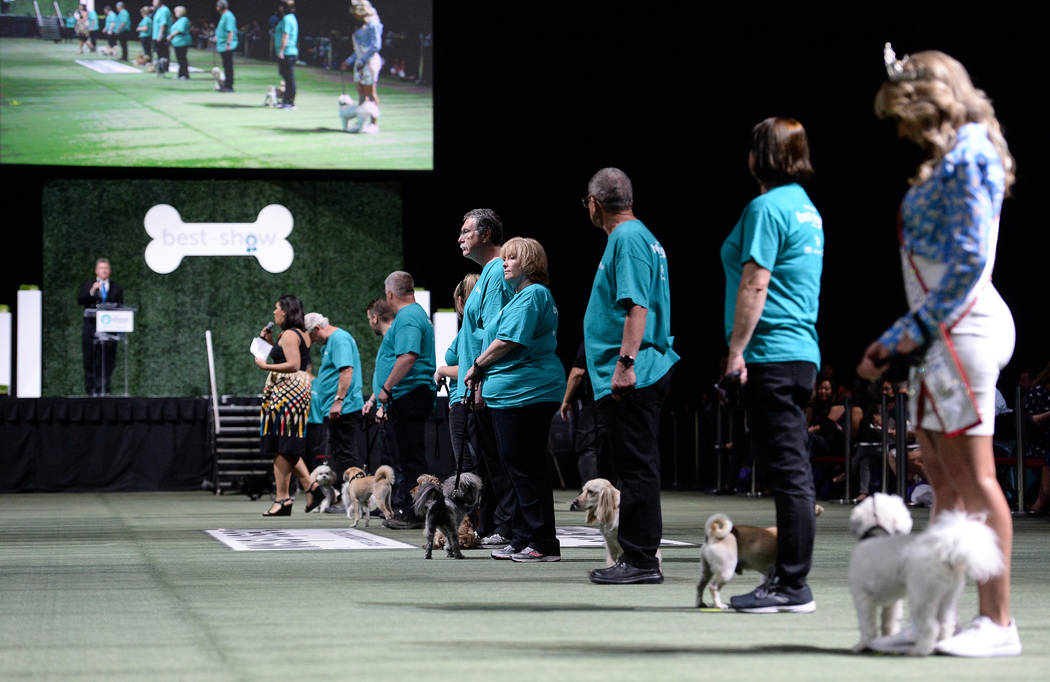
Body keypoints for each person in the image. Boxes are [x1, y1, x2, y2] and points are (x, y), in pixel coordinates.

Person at [857, 46, 1020, 656]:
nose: (899, 128)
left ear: (926, 102)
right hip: (940, 336)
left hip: (963, 330)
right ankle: (934, 624)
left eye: (901, 112)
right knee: (944, 486)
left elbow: (971, 263)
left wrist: (899, 336)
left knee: (975, 482)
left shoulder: (972, 151)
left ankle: (998, 623)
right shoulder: (955, 156)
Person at [719, 118, 823, 612]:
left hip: (772, 354)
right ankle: (789, 579)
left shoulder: (766, 207)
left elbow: (755, 282)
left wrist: (737, 350)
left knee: (789, 474)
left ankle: (791, 585)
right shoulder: (807, 209)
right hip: (802, 353)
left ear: (758, 157)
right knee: (791, 471)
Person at [581, 168, 678, 585]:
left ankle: (640, 560)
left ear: (594, 204)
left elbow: (637, 306)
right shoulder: (639, 238)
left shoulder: (627, 238)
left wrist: (625, 363)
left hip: (633, 374)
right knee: (635, 467)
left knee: (637, 470)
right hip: (632, 371)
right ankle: (637, 557)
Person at [464, 237, 567, 563]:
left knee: (525, 468)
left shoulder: (533, 294)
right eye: (504, 257)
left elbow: (507, 340)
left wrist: (478, 365)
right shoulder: (525, 296)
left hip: (527, 392)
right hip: (518, 392)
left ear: (531, 264)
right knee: (519, 467)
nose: (505, 263)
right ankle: (524, 537)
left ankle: (542, 542)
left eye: (513, 259)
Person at [455, 208, 517, 547]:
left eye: (466, 231)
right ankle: (502, 525)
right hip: (478, 385)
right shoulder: (484, 278)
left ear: (487, 234)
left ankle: (509, 528)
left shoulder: (494, 272)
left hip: (487, 386)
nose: (460, 237)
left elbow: (493, 332)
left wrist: (479, 382)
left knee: (499, 462)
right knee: (492, 463)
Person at [364, 271, 436, 529]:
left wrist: (385, 388)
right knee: (407, 456)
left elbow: (407, 357)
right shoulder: (415, 315)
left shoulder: (407, 317)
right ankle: (412, 508)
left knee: (410, 458)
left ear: (390, 294)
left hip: (410, 394)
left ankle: (415, 512)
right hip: (410, 395)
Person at [255, 295, 325, 516]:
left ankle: (283, 499)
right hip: (294, 393)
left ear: (285, 311)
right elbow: (292, 359)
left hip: (287, 395)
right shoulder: (299, 334)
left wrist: (265, 366)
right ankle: (310, 487)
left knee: (282, 446)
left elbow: (294, 364)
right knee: (286, 446)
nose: (274, 312)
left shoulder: (289, 335)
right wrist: (268, 343)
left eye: (276, 308)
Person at [305, 312, 365, 477]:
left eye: (312, 335)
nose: (313, 340)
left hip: (344, 408)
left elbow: (347, 370)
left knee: (346, 454)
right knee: (340, 453)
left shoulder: (339, 339)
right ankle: (345, 499)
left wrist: (338, 401)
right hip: (336, 408)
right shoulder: (332, 342)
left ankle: (353, 499)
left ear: (317, 328)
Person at [435, 274, 480, 476]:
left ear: (461, 301)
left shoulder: (470, 331)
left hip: (463, 401)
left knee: (465, 465)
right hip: (466, 400)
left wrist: (442, 370)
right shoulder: (474, 329)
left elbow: (467, 368)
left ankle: (472, 507)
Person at [77, 258, 124, 396]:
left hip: (109, 329)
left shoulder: (116, 288)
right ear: (96, 270)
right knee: (90, 360)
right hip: (91, 329)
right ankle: (91, 390)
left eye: (106, 268)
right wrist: (92, 291)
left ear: (109, 271)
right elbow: (81, 300)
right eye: (101, 268)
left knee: (107, 361)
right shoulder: (88, 285)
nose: (104, 271)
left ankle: (105, 389)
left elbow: (120, 307)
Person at [341, 0, 383, 108]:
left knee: (371, 93)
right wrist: (348, 61)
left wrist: (363, 61)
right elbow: (359, 49)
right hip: (360, 62)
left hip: (370, 62)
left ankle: (373, 123)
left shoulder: (373, 24)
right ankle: (361, 121)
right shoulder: (362, 24)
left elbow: (376, 46)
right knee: (361, 93)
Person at [1023, 362, 1050, 515]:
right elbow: (1030, 423)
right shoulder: (1038, 392)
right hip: (1038, 442)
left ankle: (1040, 501)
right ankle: (1040, 500)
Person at [273, 0, 298, 109]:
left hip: (287, 52)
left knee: (289, 78)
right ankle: (286, 99)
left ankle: (290, 101)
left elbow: (285, 36)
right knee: (286, 77)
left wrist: (281, 51)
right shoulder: (290, 18)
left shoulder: (287, 19)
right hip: (288, 51)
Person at [213, 1, 237, 91]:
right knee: (226, 65)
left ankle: (229, 86)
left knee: (228, 66)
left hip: (227, 45)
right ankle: (226, 84)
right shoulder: (224, 16)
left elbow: (230, 31)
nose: (216, 7)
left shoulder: (228, 16)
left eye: (217, 6)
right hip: (222, 44)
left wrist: (228, 44)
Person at [168, 6, 191, 79]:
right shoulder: (179, 20)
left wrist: (171, 36)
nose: (175, 13)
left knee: (182, 59)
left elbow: (180, 30)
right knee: (180, 59)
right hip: (177, 43)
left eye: (176, 12)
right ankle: (180, 74)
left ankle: (185, 74)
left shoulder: (184, 19)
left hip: (182, 42)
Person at [151, 0, 172, 75]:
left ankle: (164, 69)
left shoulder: (164, 10)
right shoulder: (158, 10)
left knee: (163, 54)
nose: (153, 2)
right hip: (156, 35)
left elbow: (163, 24)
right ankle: (160, 69)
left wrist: (160, 35)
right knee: (159, 54)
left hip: (161, 37)